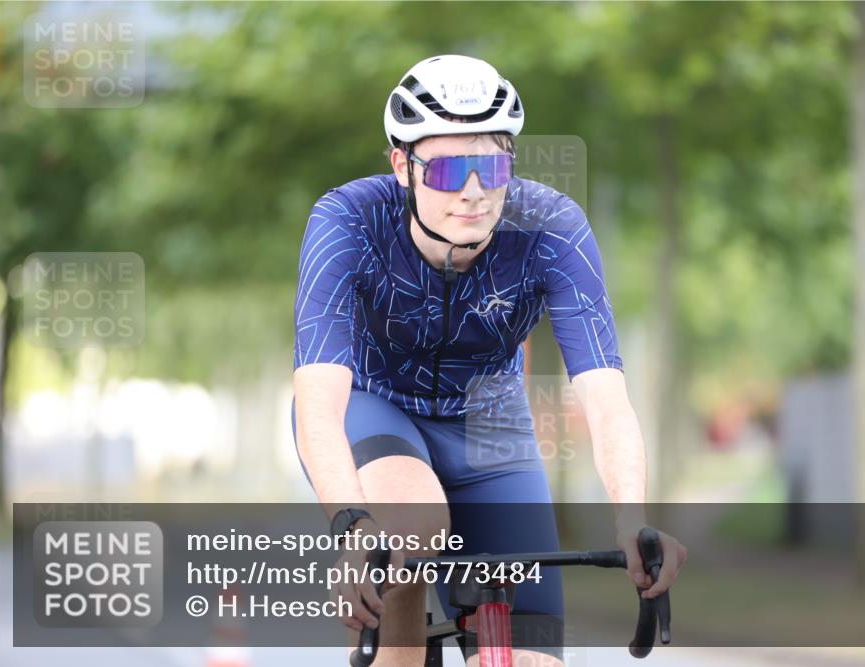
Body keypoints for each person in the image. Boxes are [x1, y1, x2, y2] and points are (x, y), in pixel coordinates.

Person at [292, 54, 686, 667]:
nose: (474, 192)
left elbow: (607, 401)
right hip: (374, 401)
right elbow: (318, 401)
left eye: (493, 167)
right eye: (450, 169)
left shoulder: (551, 227)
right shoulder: (349, 220)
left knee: (534, 659)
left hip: (490, 420)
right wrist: (352, 526)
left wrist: (631, 518)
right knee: (409, 525)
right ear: (403, 166)